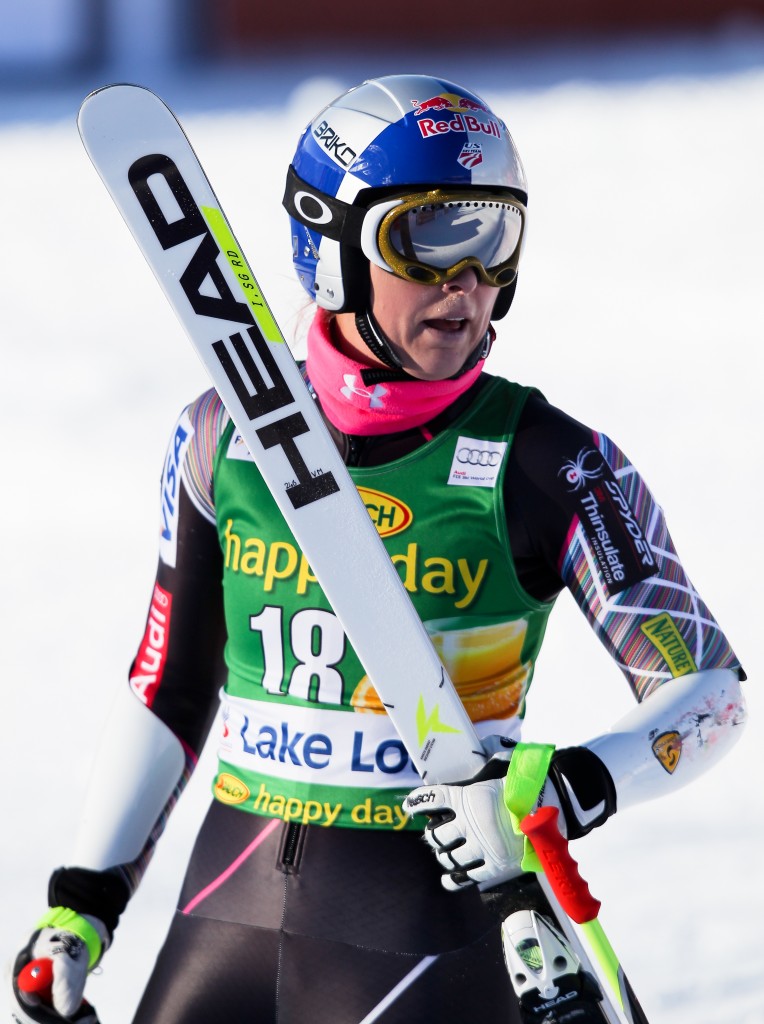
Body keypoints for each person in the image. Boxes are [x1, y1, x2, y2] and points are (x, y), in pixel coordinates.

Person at [11, 73, 746, 1024]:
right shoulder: (220, 438)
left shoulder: (549, 462)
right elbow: (169, 684)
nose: (468, 280)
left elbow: (711, 692)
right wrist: (83, 904)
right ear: (332, 246)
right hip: (225, 915)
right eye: (431, 237)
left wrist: (572, 789)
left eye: (494, 237)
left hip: (429, 927)